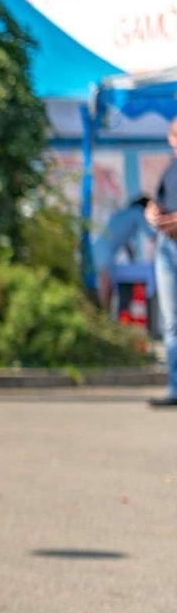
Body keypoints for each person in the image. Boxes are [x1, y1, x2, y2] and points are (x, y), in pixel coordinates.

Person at [143, 117, 177, 407]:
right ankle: (175, 388)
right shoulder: (170, 170)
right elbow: (158, 203)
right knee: (172, 322)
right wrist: (152, 214)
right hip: (168, 248)